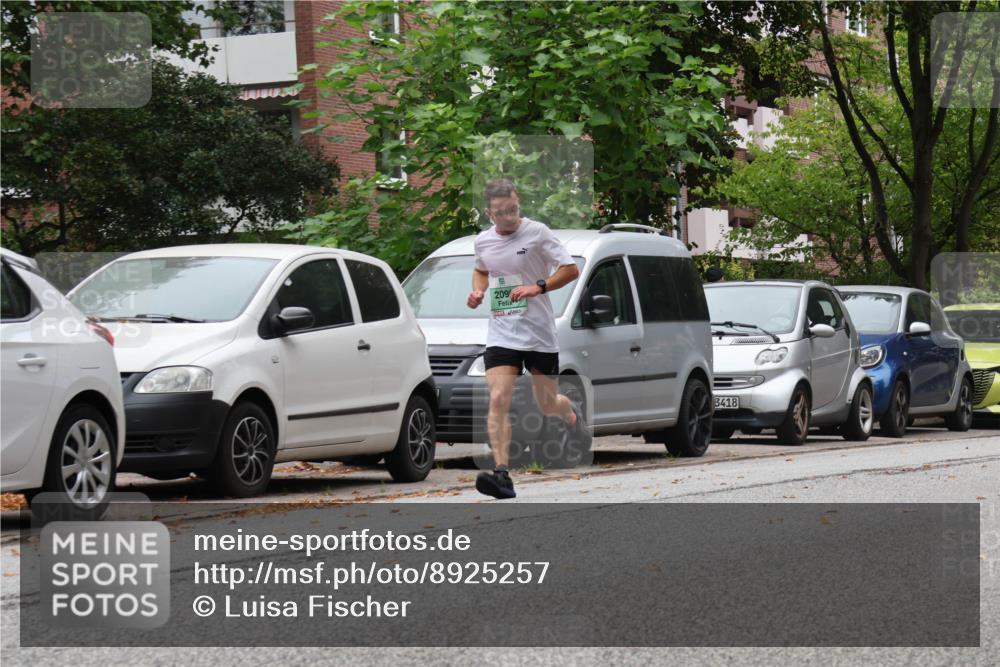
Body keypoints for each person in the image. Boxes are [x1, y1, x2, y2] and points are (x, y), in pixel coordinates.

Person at [467, 178, 582, 499]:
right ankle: (502, 475)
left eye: (514, 209)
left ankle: (569, 413)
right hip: (502, 332)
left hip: (539, 334)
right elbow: (482, 270)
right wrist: (478, 290)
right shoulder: (483, 242)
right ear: (489, 213)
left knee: (547, 404)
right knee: (499, 398)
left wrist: (539, 286)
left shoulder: (537, 232)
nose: (510, 217)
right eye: (502, 212)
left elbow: (570, 269)